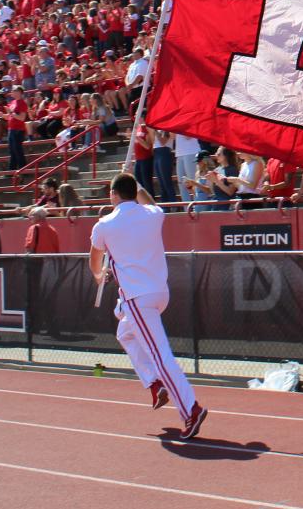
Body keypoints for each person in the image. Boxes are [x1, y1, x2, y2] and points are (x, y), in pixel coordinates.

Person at [89, 173, 206, 438]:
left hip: (138, 299)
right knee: (125, 333)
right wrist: (139, 188)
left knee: (160, 355)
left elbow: (94, 260)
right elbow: (150, 202)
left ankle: (190, 409)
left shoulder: (104, 224)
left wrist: (98, 276)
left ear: (113, 194)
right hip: (158, 293)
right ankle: (155, 384)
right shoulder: (152, 214)